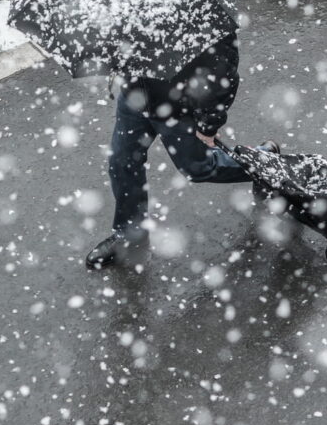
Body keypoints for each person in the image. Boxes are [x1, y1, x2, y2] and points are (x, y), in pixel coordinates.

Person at [86, 30, 278, 269]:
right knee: (122, 161)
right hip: (134, 95)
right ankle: (129, 233)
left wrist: (209, 123)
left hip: (177, 106)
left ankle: (265, 161)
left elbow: (223, 68)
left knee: (198, 168)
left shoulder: (195, 8)